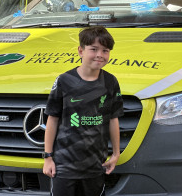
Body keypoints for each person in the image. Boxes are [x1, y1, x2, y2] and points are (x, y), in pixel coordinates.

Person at [43, 26, 124, 196]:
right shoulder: (64, 80)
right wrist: (48, 157)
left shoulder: (110, 82)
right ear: (80, 51)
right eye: (93, 49)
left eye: (105, 50)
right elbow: (52, 119)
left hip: (95, 166)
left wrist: (116, 154)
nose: (99, 55)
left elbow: (113, 119)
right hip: (64, 165)